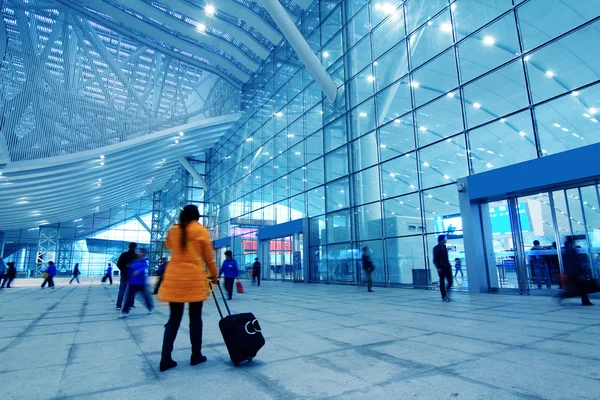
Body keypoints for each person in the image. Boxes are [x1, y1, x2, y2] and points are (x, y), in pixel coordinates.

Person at [158, 205, 219, 372]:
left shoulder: (174, 230)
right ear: (197, 217)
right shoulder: (201, 231)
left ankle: (165, 358)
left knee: (173, 320)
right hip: (194, 280)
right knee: (195, 319)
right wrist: (214, 275)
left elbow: (169, 244)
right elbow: (209, 258)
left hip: (174, 280)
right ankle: (196, 355)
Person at [556, 238, 593, 306]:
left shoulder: (567, 251)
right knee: (579, 287)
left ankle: (585, 301)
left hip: (572, 272)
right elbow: (575, 262)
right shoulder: (571, 251)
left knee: (577, 287)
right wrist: (580, 271)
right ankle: (585, 301)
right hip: (574, 272)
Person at [119, 248, 154, 318]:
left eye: (141, 252)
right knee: (128, 298)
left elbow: (144, 267)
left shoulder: (143, 261)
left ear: (143, 253)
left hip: (140, 282)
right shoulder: (133, 261)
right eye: (138, 252)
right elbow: (129, 270)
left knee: (144, 296)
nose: (139, 253)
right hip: (132, 282)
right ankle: (124, 312)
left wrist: (138, 271)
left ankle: (150, 307)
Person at [116, 242, 137, 310]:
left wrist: (123, 269)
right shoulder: (135, 256)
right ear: (135, 247)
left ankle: (119, 305)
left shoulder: (123, 254)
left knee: (122, 290)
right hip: (132, 275)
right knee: (131, 290)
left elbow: (118, 264)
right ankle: (131, 304)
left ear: (129, 247)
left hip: (124, 274)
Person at [433, 235, 453, 302]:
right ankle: (444, 296)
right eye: (445, 239)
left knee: (450, 280)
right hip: (441, 267)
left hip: (447, 266)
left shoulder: (445, 247)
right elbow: (435, 259)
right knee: (442, 282)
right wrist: (438, 267)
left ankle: (446, 293)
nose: (445, 240)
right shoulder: (436, 248)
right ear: (441, 240)